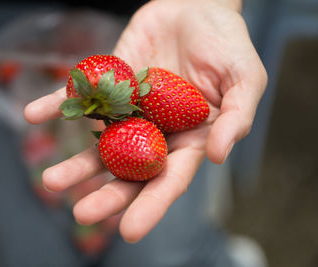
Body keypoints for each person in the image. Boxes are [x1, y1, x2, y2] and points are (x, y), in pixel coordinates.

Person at [24, 0, 268, 266]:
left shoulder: (141, 94)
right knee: (26, 252)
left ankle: (213, 255)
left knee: (161, 253)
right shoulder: (119, 123)